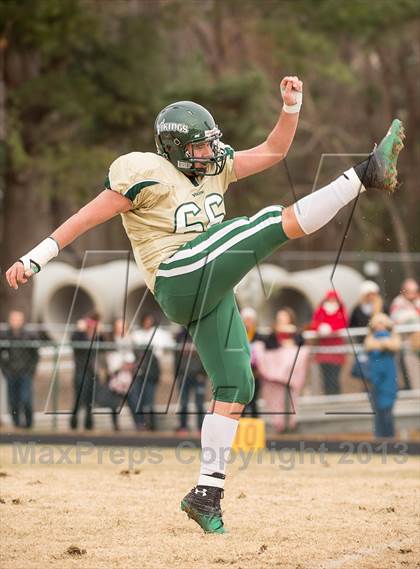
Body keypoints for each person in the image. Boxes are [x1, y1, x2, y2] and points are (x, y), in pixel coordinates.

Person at [5, 75, 405, 533]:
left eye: (210, 143)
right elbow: (83, 218)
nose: (210, 154)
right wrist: (36, 257)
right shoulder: (144, 173)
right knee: (266, 222)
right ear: (173, 149)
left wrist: (290, 109)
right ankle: (362, 174)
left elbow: (274, 152)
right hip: (176, 276)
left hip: (207, 282)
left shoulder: (216, 166)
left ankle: (206, 493)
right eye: (199, 146)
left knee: (237, 383)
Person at [253, 308, 309, 433]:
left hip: (292, 373)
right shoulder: (272, 334)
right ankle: (279, 425)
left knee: (291, 400)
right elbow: (267, 347)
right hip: (274, 375)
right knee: (275, 400)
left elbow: (302, 347)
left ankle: (291, 424)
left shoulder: (296, 333)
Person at [0, 310, 39, 428]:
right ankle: (16, 425)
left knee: (26, 399)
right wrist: (5, 370)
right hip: (10, 373)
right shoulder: (4, 335)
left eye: (18, 319)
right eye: (13, 319)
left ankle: (29, 424)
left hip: (25, 373)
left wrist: (31, 370)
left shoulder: (29, 336)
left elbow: (35, 355)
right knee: (13, 401)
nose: (15, 322)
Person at [365, 313, 401, 438]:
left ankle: (389, 436)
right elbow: (369, 345)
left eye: (382, 324)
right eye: (377, 324)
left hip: (388, 378)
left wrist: (383, 343)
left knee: (387, 409)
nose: (380, 327)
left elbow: (394, 345)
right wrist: (383, 343)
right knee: (377, 410)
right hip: (375, 379)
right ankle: (379, 436)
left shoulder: (392, 338)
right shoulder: (370, 339)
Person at [70, 312, 105, 430]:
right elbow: (74, 343)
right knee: (79, 398)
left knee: (90, 399)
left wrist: (100, 333)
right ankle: (74, 422)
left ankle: (88, 423)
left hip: (92, 372)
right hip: (81, 371)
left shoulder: (97, 338)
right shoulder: (80, 336)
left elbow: (105, 346)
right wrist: (79, 331)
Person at [310, 290, 348, 395]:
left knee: (335, 377)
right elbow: (314, 324)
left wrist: (331, 329)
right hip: (323, 350)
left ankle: (336, 397)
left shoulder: (341, 311)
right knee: (325, 377)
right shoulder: (320, 311)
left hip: (336, 350)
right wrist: (320, 328)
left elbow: (343, 324)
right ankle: (328, 397)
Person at [174, 327, 206, 434]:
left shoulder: (202, 333)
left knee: (200, 403)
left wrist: (203, 373)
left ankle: (201, 427)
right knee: (183, 403)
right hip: (183, 375)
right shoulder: (180, 336)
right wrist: (177, 374)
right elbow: (176, 357)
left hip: (198, 376)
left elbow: (206, 355)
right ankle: (183, 427)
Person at [390, 278, 420, 389]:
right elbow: (398, 319)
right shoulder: (398, 303)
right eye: (408, 291)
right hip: (408, 344)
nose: (412, 294)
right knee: (413, 371)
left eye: (414, 291)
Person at [240, 307, 265, 418]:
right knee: (242, 401)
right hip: (242, 373)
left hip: (254, 372)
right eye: (246, 320)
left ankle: (255, 423)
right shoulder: (239, 335)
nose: (248, 323)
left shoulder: (258, 336)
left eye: (250, 320)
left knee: (254, 400)